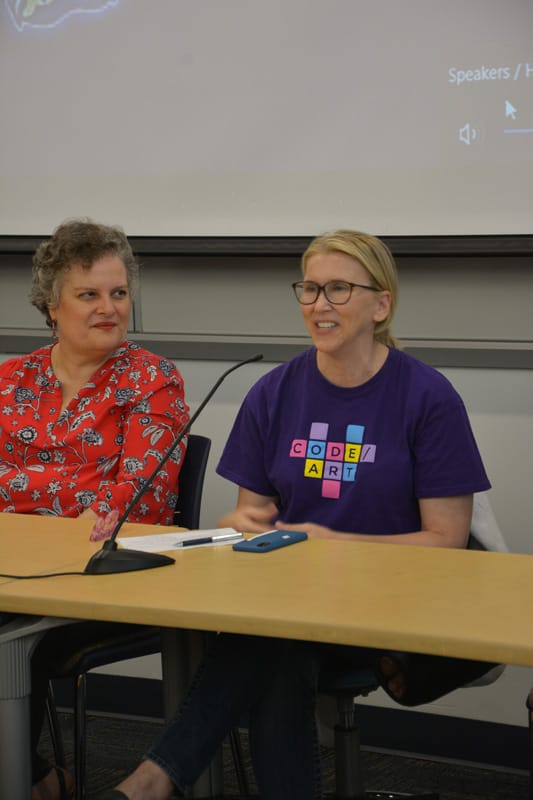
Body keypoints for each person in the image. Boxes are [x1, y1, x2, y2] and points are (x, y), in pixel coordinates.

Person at [99, 229, 492, 800]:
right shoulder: (272, 390)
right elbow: (248, 514)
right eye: (308, 289)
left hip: (393, 605)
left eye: (337, 289)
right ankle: (155, 780)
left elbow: (448, 541)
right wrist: (246, 529)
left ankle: (154, 778)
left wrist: (333, 543)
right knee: (278, 643)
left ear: (381, 304)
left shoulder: (427, 397)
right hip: (292, 600)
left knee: (272, 640)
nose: (318, 305)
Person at [0, 218, 189, 800]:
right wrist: (70, 491)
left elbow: (135, 505)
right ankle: (32, 774)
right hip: (8, 573)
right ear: (50, 305)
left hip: (97, 584)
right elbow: (87, 500)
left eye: (118, 293)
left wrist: (19, 486)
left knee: (6, 642)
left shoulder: (152, 381)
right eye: (89, 294)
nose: (109, 308)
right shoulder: (10, 380)